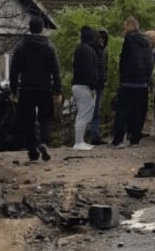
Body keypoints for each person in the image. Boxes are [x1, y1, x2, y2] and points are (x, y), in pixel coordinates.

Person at [9, 16, 62, 162]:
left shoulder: (21, 46)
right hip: (45, 88)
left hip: (26, 88)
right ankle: (44, 142)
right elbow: (56, 70)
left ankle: (32, 151)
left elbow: (14, 70)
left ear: (30, 28)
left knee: (27, 120)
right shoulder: (49, 47)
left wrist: (13, 90)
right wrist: (57, 90)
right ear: (42, 29)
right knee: (45, 117)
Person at [111, 17, 154, 148]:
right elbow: (150, 62)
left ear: (129, 27)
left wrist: (122, 77)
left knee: (122, 112)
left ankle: (118, 140)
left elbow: (123, 60)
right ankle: (134, 139)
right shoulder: (147, 42)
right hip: (143, 83)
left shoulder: (129, 41)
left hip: (128, 82)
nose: (123, 30)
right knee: (139, 112)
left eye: (124, 27)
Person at [72, 26, 97, 150]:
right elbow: (89, 71)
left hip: (77, 85)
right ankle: (79, 142)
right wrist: (93, 86)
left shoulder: (79, 49)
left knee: (81, 114)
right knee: (84, 114)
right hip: (84, 86)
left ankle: (79, 140)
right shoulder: (88, 50)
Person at [90, 29, 109, 146]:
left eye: (103, 38)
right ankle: (91, 135)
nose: (101, 40)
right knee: (90, 110)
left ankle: (95, 135)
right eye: (100, 38)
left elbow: (105, 66)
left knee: (97, 110)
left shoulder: (105, 51)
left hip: (101, 83)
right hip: (92, 84)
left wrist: (105, 78)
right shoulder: (92, 50)